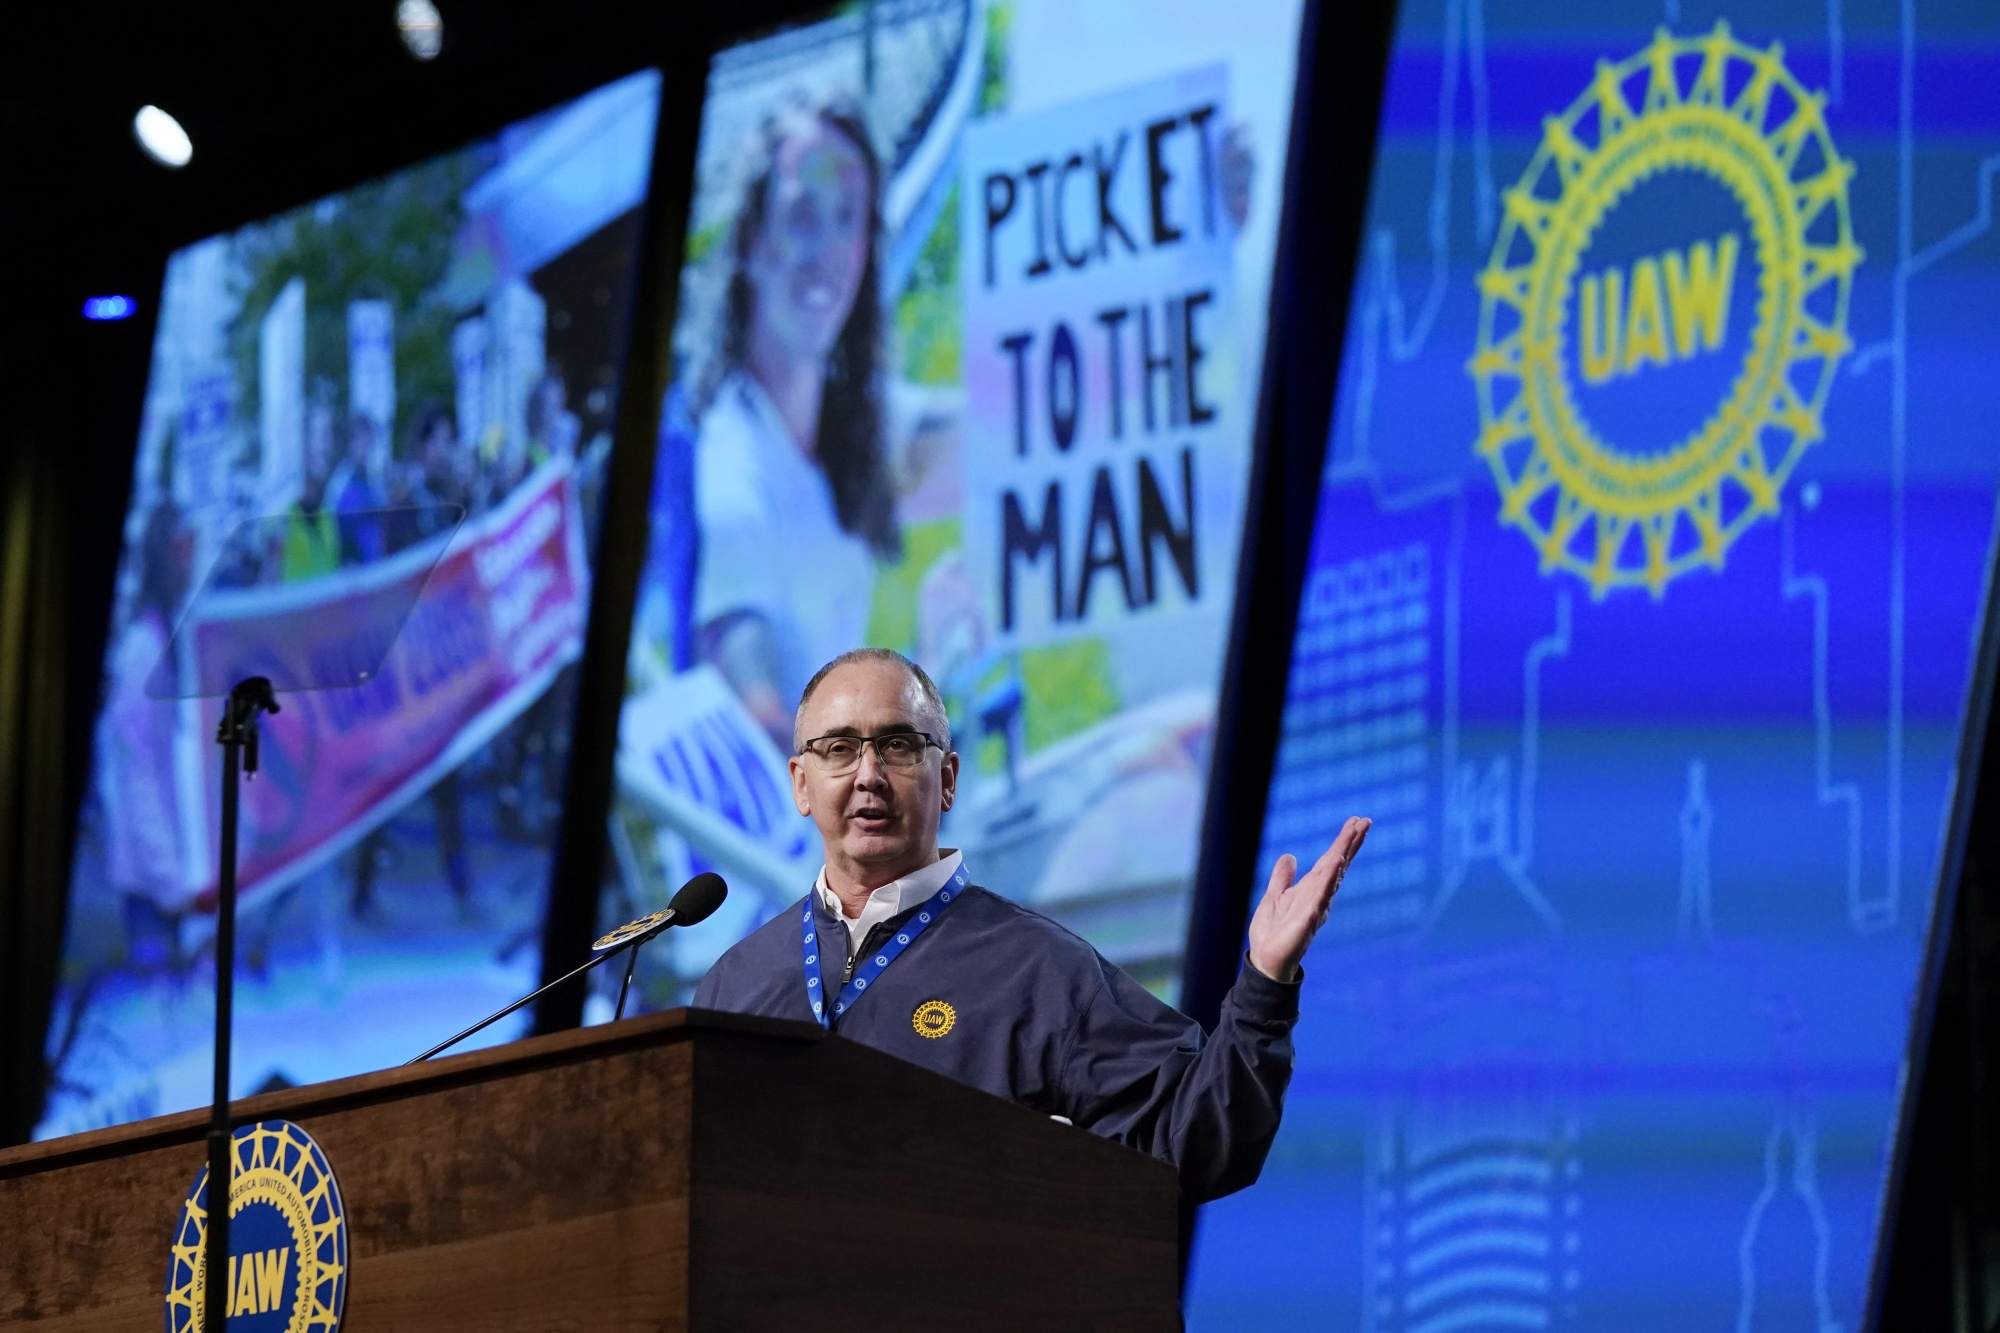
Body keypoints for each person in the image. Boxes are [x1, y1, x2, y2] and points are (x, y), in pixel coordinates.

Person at [694, 648, 1372, 1203]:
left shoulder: (1037, 967)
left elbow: (1193, 1141)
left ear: (948, 779)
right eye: (839, 748)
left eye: (898, 745)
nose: (868, 773)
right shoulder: (738, 981)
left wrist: (1264, 983)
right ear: (801, 783)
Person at [684, 99, 901, 750]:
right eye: (802, 216)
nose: (829, 252)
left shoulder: (836, 428)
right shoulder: (732, 468)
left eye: (848, 218)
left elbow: (989, 430)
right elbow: (760, 727)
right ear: (750, 242)